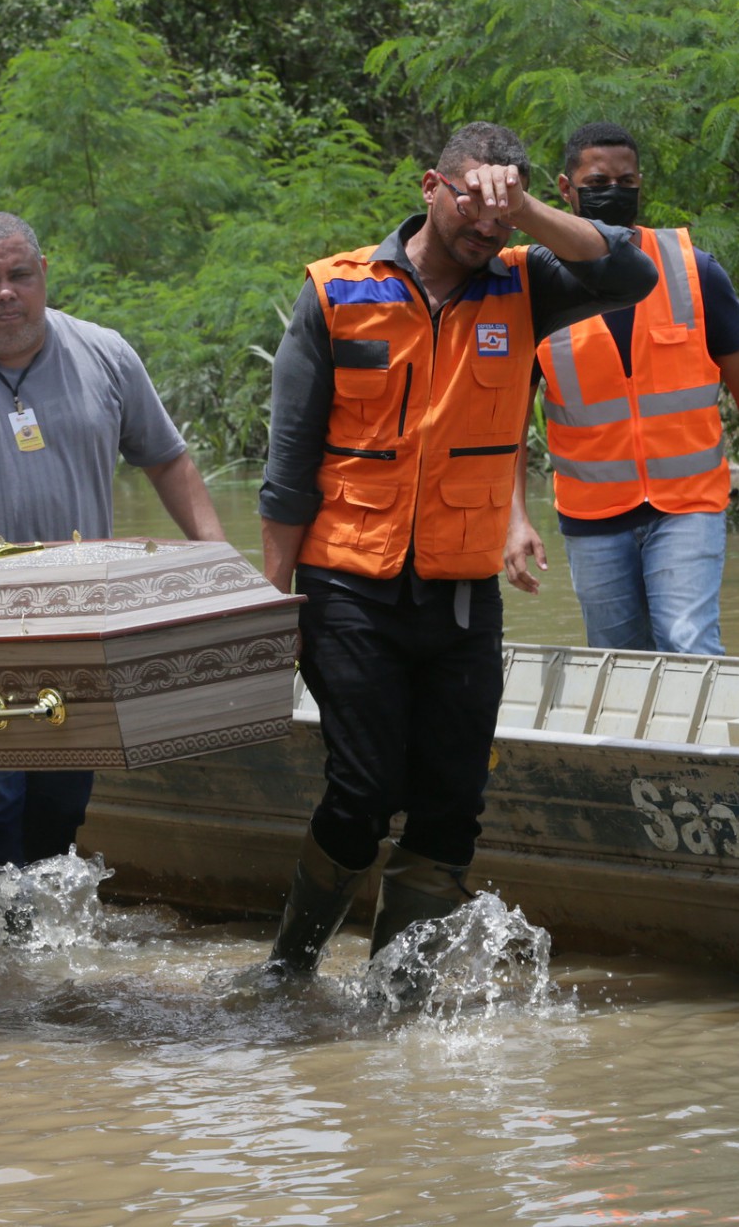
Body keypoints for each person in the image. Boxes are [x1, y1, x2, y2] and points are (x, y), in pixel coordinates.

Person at [255, 122, 659, 977]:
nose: (488, 228)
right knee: (363, 795)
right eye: (473, 204)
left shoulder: (522, 283)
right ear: (431, 188)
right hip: (346, 585)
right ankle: (289, 969)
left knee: (451, 808)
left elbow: (631, 270)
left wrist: (527, 209)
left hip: (462, 594)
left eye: (501, 213)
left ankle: (394, 994)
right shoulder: (338, 293)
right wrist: (272, 599)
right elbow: (289, 468)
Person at [0, 211, 226, 874]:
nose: (6, 292)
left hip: (78, 624)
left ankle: (33, 959)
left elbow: (168, 461)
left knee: (62, 803)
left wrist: (217, 564)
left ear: (43, 276)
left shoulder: (104, 353)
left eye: (19, 275)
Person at [505, 121, 739, 653]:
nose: (614, 192)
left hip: (688, 505)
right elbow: (503, 418)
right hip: (592, 517)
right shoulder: (533, 285)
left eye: (627, 182)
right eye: (599, 180)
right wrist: (515, 519)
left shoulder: (691, 269)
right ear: (564, 188)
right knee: (617, 661)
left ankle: (701, 738)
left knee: (688, 643)